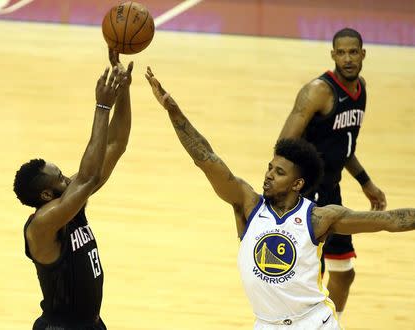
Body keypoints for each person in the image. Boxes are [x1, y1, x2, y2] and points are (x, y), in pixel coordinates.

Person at [144, 67, 415, 329]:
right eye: (270, 168)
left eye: (280, 172)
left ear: (297, 183)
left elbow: (389, 220)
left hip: (313, 324)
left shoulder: (319, 218)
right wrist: (174, 111)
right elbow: (205, 158)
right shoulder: (247, 205)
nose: (269, 175)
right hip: (266, 325)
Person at [13, 52, 133, 329]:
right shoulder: (41, 225)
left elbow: (116, 145)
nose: (68, 178)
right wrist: (102, 107)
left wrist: (123, 89)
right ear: (46, 195)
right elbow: (89, 177)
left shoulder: (69, 200)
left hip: (91, 324)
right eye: (60, 178)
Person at [277, 27, 387, 317]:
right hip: (307, 196)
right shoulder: (318, 92)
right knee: (308, 280)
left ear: (363, 54)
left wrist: (366, 182)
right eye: (341, 52)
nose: (348, 58)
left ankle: (328, 324)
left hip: (331, 191)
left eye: (353, 52)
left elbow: (343, 145)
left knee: (343, 273)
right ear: (333, 55)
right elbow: (283, 146)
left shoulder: (360, 90)